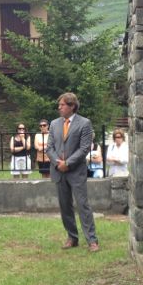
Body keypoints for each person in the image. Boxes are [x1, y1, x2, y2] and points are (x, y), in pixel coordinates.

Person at [47, 92, 99, 252]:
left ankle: (92, 240)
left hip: (76, 171)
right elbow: (49, 148)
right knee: (65, 206)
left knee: (83, 205)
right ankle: (72, 237)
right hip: (58, 171)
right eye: (59, 105)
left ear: (72, 106)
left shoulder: (85, 123)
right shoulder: (54, 124)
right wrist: (58, 163)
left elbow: (84, 148)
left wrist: (68, 163)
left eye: (62, 105)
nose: (59, 107)